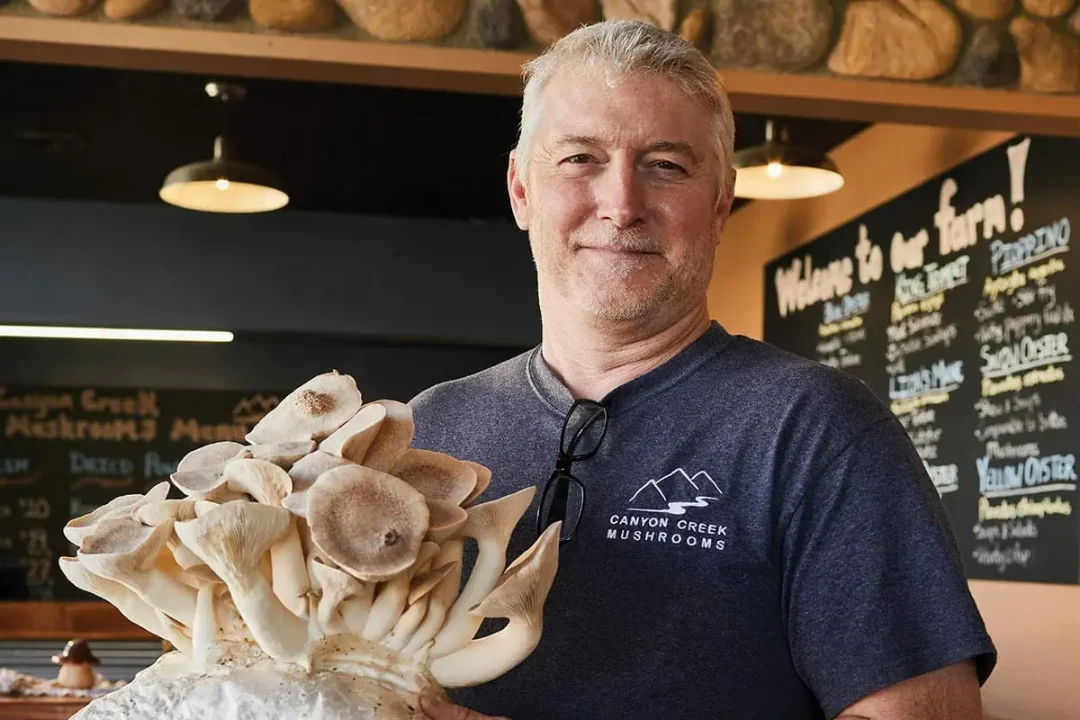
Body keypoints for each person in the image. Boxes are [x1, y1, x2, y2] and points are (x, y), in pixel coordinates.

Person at [409, 19, 997, 720]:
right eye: (579, 159)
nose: (622, 204)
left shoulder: (816, 428)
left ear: (721, 201)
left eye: (666, 164)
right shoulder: (426, 429)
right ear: (521, 190)